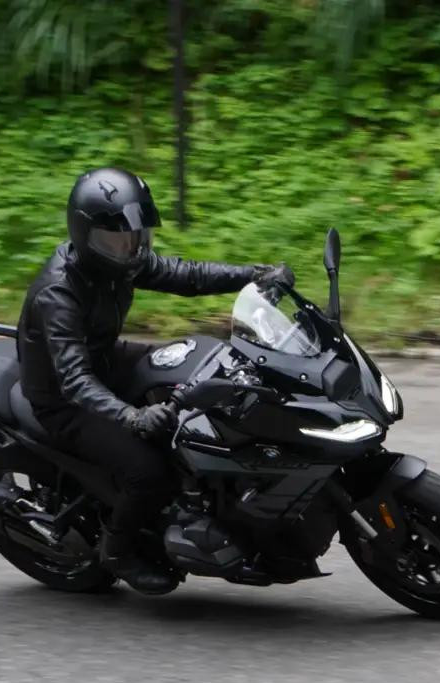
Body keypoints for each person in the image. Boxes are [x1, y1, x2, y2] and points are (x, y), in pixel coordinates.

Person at [16, 167, 294, 594]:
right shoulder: (59, 293)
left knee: (204, 363)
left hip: (105, 360)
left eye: (136, 236)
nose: (130, 247)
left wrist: (254, 275)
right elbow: (74, 379)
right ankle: (118, 550)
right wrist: (132, 417)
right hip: (64, 400)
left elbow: (188, 275)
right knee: (148, 470)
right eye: (116, 239)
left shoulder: (120, 263)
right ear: (85, 235)